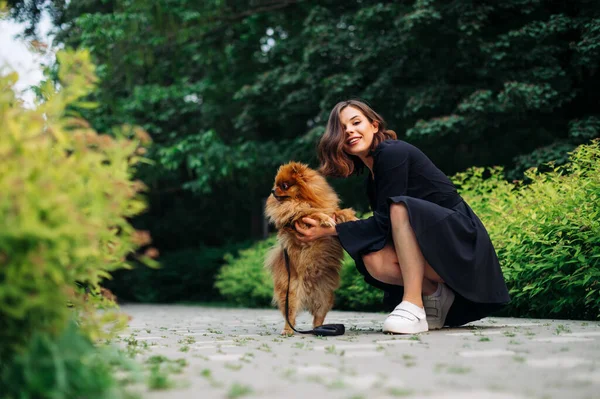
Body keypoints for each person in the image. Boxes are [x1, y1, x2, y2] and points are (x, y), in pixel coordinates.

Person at [294, 99, 510, 334]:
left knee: (398, 207)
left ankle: (414, 306)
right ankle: (434, 296)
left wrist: (331, 230)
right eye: (341, 128)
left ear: (374, 126)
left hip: (464, 246)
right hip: (438, 249)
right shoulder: (373, 177)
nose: (349, 131)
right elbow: (384, 229)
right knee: (373, 259)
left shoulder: (392, 152)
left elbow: (389, 217)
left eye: (356, 122)